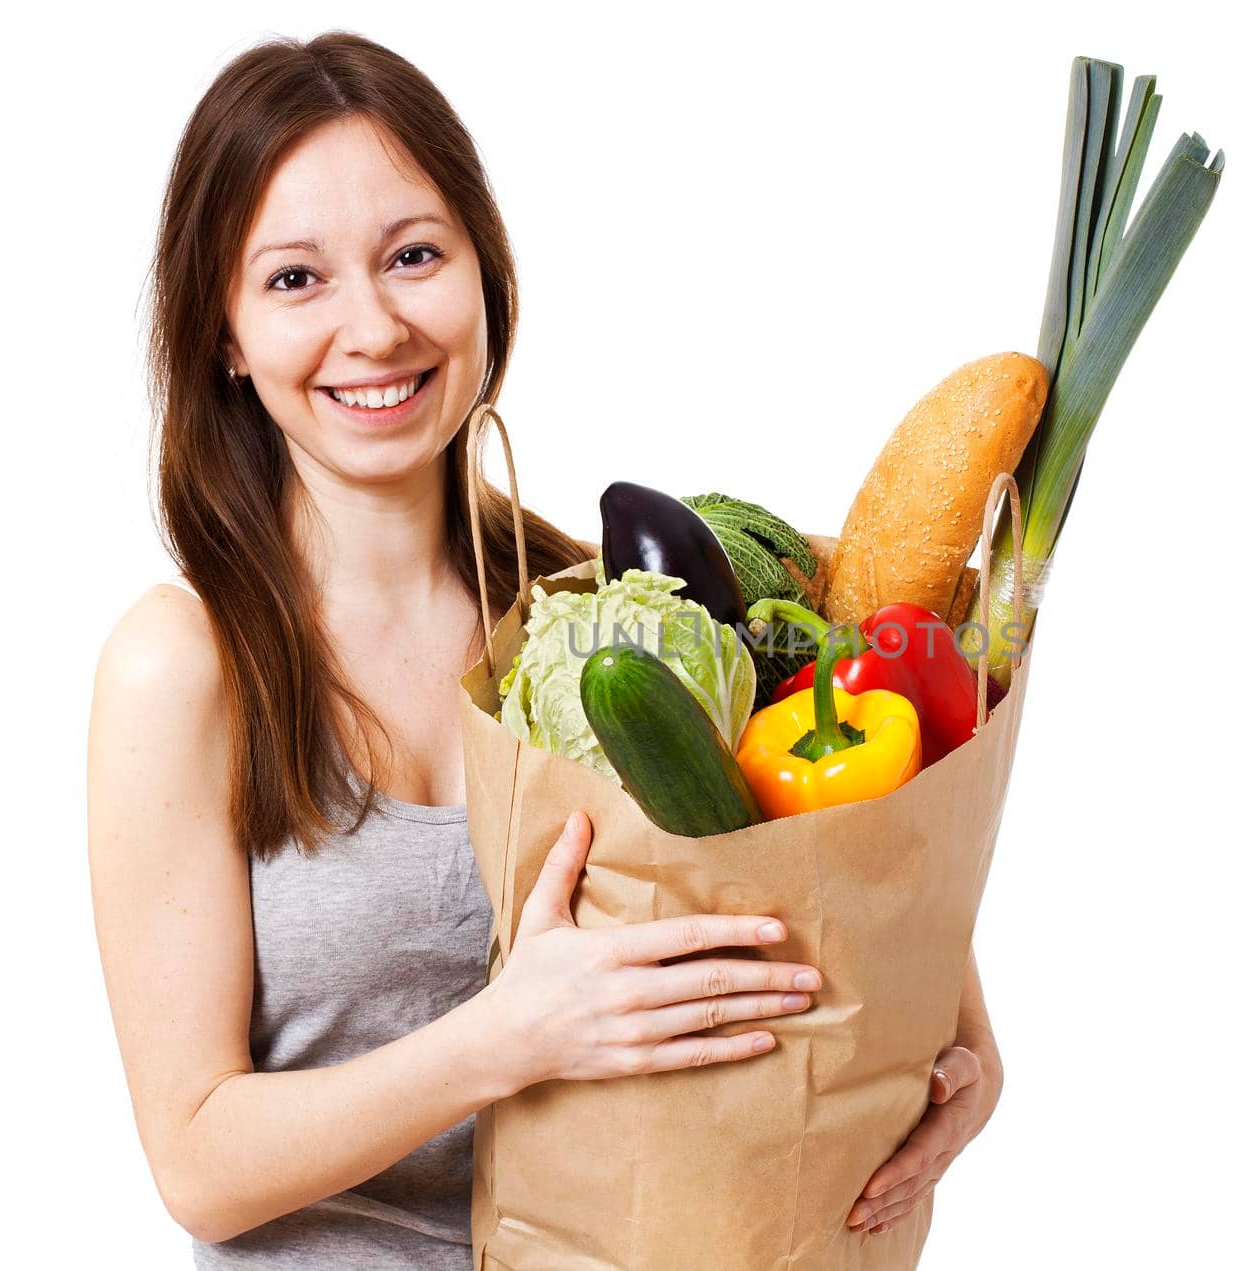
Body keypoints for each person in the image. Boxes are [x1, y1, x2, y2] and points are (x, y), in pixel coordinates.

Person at [87, 30, 1001, 1268]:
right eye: (296, 280)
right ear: (226, 336)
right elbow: (197, 1162)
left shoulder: (604, 615)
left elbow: (831, 873)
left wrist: (952, 1055)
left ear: (484, 279)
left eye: (415, 256)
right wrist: (506, 1035)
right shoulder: (185, 663)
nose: (374, 327)